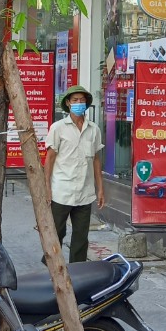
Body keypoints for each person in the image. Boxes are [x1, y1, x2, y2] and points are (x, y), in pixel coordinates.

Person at [43, 84, 105, 264]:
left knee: (81, 236)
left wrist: (100, 189)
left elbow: (96, 160)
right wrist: (47, 188)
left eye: (82, 100)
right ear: (68, 103)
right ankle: (52, 268)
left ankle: (78, 271)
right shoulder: (58, 128)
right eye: (75, 100)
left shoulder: (94, 129)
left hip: (85, 192)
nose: (79, 103)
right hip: (61, 191)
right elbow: (49, 159)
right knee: (56, 233)